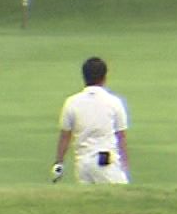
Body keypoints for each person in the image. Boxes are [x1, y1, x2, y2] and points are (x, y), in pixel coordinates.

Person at [52, 56, 130, 184]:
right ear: (104, 77)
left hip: (82, 164)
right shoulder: (114, 102)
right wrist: (125, 166)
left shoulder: (71, 102)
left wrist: (59, 163)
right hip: (106, 162)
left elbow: (65, 137)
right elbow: (121, 137)